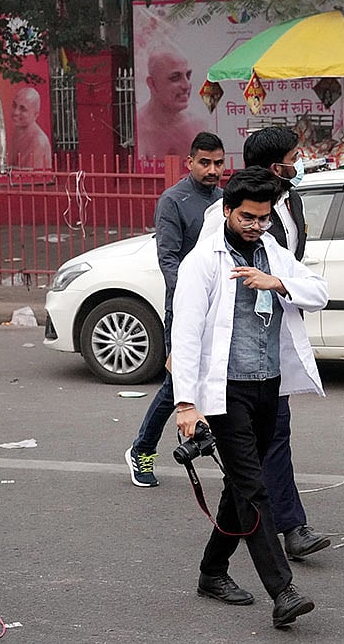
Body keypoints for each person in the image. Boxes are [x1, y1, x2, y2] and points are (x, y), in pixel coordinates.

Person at [170, 166, 328, 628]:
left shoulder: (272, 251)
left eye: (264, 218)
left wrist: (277, 283)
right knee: (255, 488)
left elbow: (318, 291)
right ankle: (283, 591)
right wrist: (186, 404)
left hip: (269, 384)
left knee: (240, 485)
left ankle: (212, 571)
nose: (256, 226)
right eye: (248, 218)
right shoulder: (202, 261)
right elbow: (187, 333)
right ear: (226, 210)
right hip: (226, 392)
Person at [238, 126, 334, 559]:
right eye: (296, 155)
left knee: (274, 432)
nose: (302, 160)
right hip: (240, 335)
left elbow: (292, 267)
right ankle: (278, 527)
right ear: (276, 165)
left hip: (277, 323)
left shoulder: (291, 201)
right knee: (252, 441)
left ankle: (288, 525)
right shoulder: (232, 211)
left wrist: (284, 285)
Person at [125, 132, 225, 488]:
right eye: (205, 163)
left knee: (213, 379)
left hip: (219, 305)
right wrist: (189, 295)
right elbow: (168, 258)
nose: (213, 170)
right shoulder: (173, 200)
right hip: (184, 305)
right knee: (177, 382)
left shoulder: (224, 200)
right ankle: (142, 449)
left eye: (218, 163)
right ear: (190, 162)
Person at [137, 47, 210, 162]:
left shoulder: (198, 127)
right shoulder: (137, 129)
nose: (186, 86)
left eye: (188, 76)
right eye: (175, 78)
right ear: (152, 84)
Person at [7, 87, 52, 169]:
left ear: (36, 114)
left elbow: (34, 178)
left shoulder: (39, 142)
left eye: (22, 109)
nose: (16, 112)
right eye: (14, 105)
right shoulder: (18, 132)